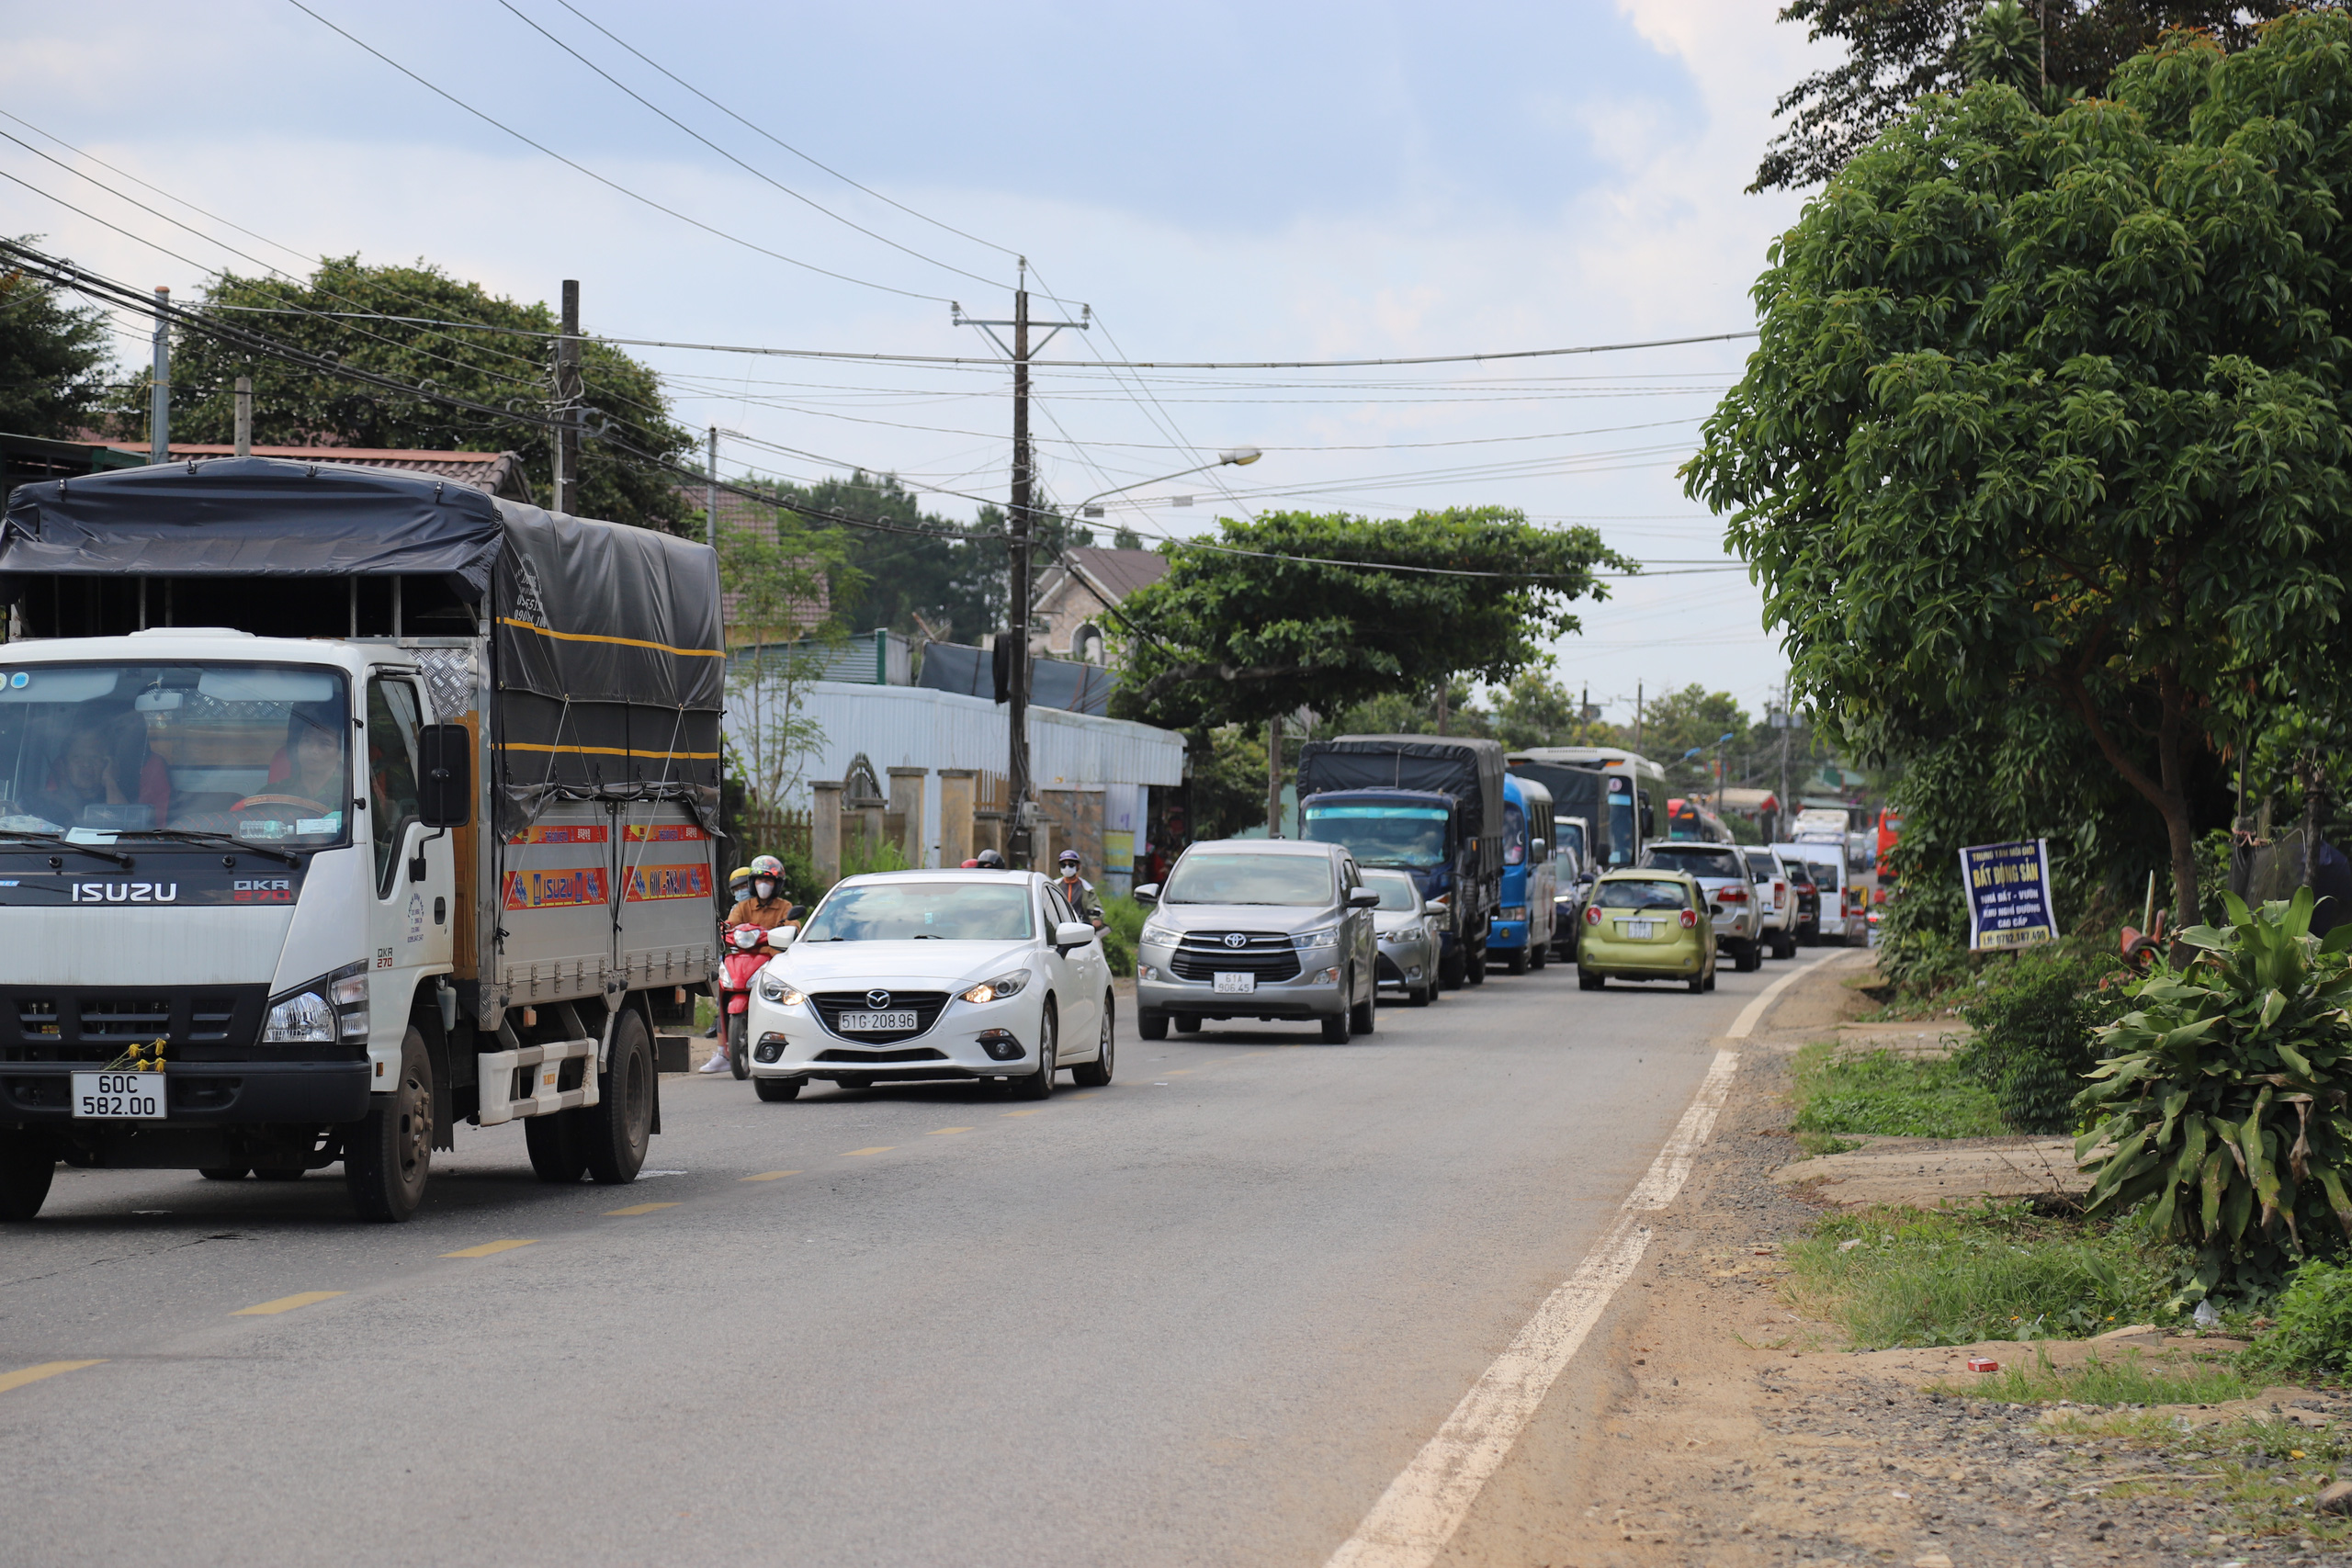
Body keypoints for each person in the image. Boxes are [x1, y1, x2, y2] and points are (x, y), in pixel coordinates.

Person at [701, 854, 799, 1073]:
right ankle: (723, 1050)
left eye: (769, 881)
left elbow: (794, 925)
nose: (763, 885)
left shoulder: (785, 907)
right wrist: (722, 929)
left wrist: (784, 930)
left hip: (773, 962)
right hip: (744, 960)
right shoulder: (744, 907)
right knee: (722, 987)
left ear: (777, 884)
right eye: (759, 881)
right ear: (753, 883)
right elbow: (730, 925)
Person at [1054, 848, 1106, 931]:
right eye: (1063, 865)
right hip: (1058, 927)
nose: (1067, 868)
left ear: (1078, 866)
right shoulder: (1054, 886)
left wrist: (1096, 919)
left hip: (1080, 927)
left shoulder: (1086, 888)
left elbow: (1095, 907)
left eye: (1071, 865)